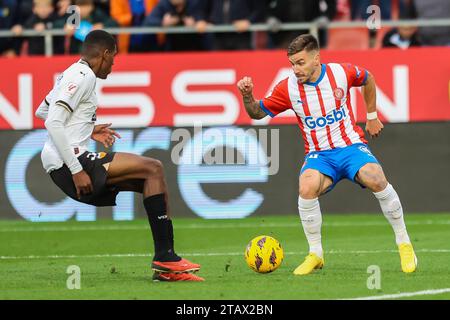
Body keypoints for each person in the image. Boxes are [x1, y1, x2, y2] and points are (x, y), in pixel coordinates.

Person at [236, 34, 417, 275]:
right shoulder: (288, 87)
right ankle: (315, 254)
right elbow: (258, 113)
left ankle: (404, 243)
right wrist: (247, 96)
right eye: (292, 63)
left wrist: (371, 116)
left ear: (316, 58)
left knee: (375, 177)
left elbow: (368, 78)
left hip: (350, 146)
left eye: (300, 62)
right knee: (306, 185)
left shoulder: (341, 73)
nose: (295, 69)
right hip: (319, 155)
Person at [34, 30, 203, 282]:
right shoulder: (83, 76)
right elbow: (52, 123)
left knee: (151, 180)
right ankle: (166, 257)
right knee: (153, 168)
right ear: (104, 54)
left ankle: (166, 265)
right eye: (113, 57)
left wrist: (88, 129)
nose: (113, 64)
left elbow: (41, 111)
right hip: (69, 162)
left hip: (66, 159)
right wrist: (76, 169)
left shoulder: (71, 73)